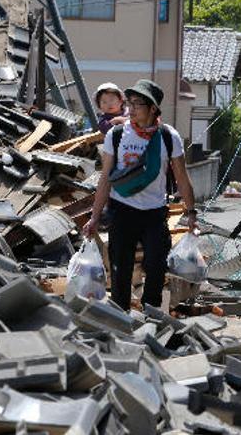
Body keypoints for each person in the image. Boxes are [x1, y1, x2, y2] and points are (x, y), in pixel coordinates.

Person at [83, 79, 198, 311]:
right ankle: (120, 319)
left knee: (156, 268)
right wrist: (94, 217)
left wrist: (192, 212)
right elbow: (105, 179)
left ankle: (151, 320)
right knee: (120, 271)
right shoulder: (116, 135)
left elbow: (182, 178)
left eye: (138, 104)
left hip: (154, 213)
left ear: (153, 108)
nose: (131, 109)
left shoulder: (168, 137)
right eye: (130, 103)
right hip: (122, 211)